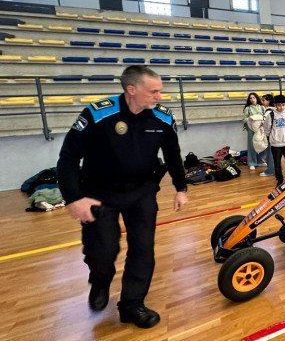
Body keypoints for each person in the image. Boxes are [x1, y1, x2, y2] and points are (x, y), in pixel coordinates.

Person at [56, 65, 188, 329]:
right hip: (99, 195)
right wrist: (73, 198)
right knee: (102, 252)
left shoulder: (162, 118)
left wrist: (181, 187)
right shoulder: (98, 114)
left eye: (160, 91)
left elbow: (173, 153)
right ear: (132, 90)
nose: (159, 97)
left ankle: (132, 304)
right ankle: (101, 280)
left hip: (141, 193)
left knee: (143, 251)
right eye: (153, 91)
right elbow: (68, 158)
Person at [264, 94, 285, 185]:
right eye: (279, 105)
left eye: (283, 105)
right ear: (275, 105)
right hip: (276, 144)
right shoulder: (271, 115)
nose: (281, 107)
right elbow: (266, 129)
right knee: (277, 164)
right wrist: (274, 137)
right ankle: (280, 180)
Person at [243, 92, 266, 170]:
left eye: (254, 98)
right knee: (251, 145)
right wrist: (252, 118)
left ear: (256, 98)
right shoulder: (248, 108)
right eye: (251, 98)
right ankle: (252, 162)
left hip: (260, 128)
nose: (252, 99)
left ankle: (260, 160)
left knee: (261, 144)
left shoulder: (262, 107)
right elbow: (245, 119)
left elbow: (265, 117)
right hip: (251, 129)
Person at [259, 94, 276, 177]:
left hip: (270, 135)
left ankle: (271, 170)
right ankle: (275, 168)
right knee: (275, 153)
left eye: (263, 100)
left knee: (270, 153)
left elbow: (264, 123)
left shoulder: (269, 111)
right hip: (276, 135)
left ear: (268, 101)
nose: (262, 102)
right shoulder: (275, 110)